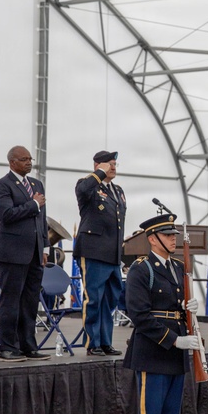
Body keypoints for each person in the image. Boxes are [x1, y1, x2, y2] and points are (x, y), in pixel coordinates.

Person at [123, 213, 201, 414]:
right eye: (168, 235)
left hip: (174, 356)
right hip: (154, 351)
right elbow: (140, 315)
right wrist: (174, 339)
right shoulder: (141, 270)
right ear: (153, 239)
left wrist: (186, 308)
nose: (174, 239)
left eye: (174, 235)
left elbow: (172, 308)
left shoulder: (178, 268)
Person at [0, 146, 49, 362]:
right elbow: (6, 215)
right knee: (11, 301)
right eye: (24, 159)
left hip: (34, 253)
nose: (29, 162)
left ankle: (28, 344)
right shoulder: (3, 185)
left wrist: (44, 246)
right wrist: (33, 204)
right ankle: (7, 347)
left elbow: (41, 218)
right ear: (12, 162)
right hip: (13, 253)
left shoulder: (36, 184)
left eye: (30, 159)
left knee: (30, 301)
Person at [75, 150, 127, 356]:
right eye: (108, 164)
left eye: (114, 164)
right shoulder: (88, 184)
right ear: (97, 165)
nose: (113, 167)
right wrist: (99, 174)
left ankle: (106, 341)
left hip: (113, 254)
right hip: (94, 252)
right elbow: (83, 190)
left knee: (110, 300)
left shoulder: (118, 190)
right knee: (94, 299)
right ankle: (92, 343)